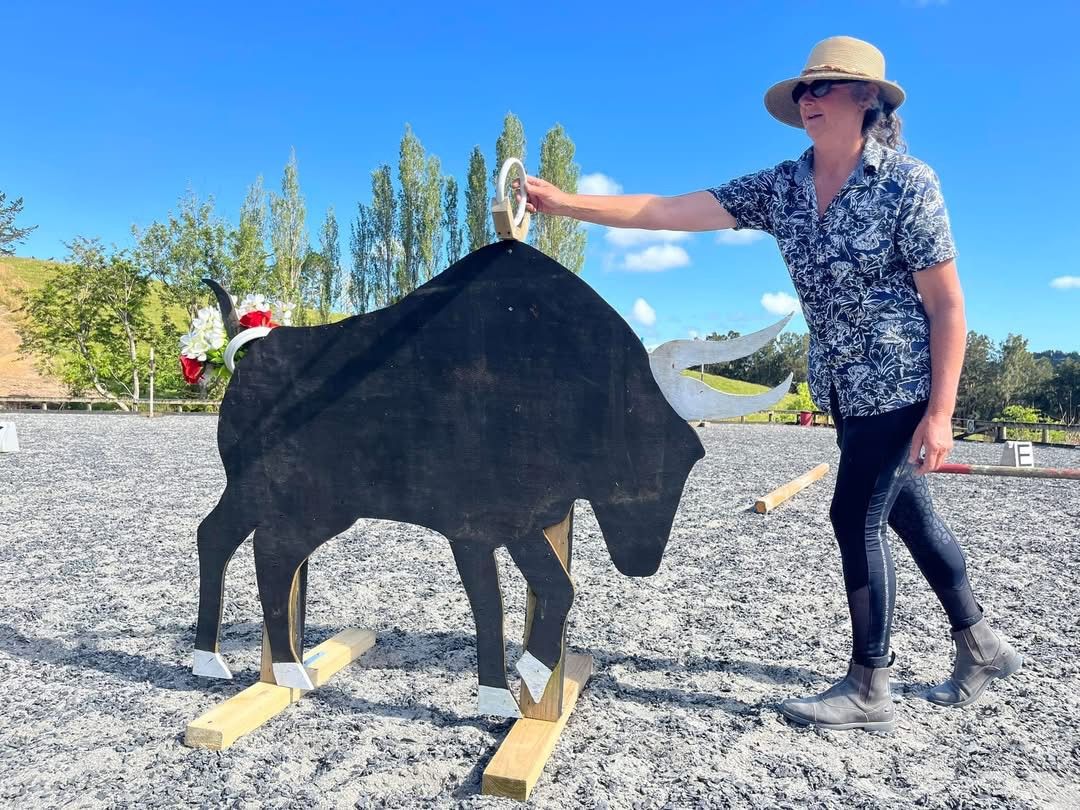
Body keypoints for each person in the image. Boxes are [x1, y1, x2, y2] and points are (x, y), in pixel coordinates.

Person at [523, 35, 1022, 732]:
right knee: (906, 513)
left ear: (866, 100)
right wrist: (563, 204)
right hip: (843, 389)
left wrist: (941, 413)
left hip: (901, 383)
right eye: (803, 90)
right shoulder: (781, 188)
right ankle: (983, 647)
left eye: (823, 88)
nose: (807, 98)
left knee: (854, 516)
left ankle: (869, 686)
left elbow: (947, 306)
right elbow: (671, 212)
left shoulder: (909, 185)